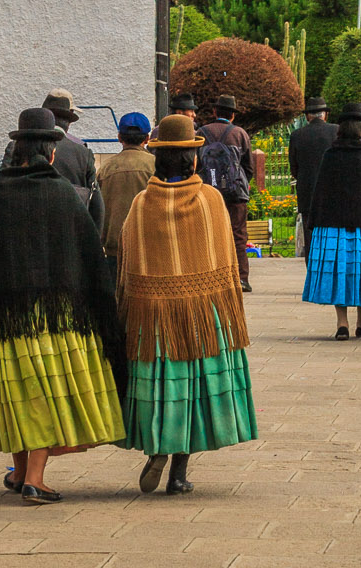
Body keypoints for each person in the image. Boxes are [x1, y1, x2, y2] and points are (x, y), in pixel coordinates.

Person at [0, 107, 125, 505]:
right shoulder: (63, 195)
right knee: (47, 396)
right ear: (50, 152)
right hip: (53, 323)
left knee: (16, 396)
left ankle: (18, 473)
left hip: (1, 323)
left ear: (17, 150)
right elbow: (88, 259)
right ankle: (35, 478)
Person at [119, 113, 257, 494]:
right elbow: (227, 257)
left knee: (163, 385)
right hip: (201, 314)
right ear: (193, 159)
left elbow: (128, 259)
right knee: (193, 388)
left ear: (158, 158)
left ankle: (157, 448)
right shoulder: (210, 200)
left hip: (155, 314)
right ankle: (178, 474)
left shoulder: (142, 204)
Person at [302, 105, 361, 338]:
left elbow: (320, 192)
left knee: (338, 273)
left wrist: (313, 223)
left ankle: (341, 323)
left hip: (332, 229)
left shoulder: (330, 157)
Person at [198, 94, 255, 292]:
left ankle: (211, 276)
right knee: (238, 234)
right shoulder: (240, 134)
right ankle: (241, 279)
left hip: (208, 193)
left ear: (215, 112)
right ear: (232, 115)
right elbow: (248, 167)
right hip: (235, 194)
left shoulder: (202, 132)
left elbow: (195, 164)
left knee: (209, 234)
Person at [96, 113, 154, 287]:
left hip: (115, 249)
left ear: (119, 137)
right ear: (147, 138)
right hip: (148, 248)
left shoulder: (105, 168)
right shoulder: (156, 166)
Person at [43, 91, 105, 233]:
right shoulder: (82, 153)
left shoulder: (16, 147)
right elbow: (97, 206)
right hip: (71, 234)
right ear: (69, 121)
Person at [288, 96, 336, 250]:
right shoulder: (336, 131)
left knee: (310, 236)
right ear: (325, 115)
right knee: (331, 235)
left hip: (307, 192)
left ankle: (312, 268)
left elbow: (294, 167)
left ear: (307, 116)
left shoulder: (297, 135)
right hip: (331, 193)